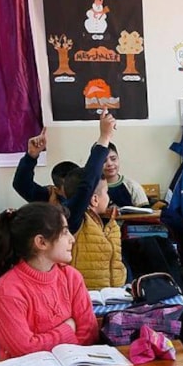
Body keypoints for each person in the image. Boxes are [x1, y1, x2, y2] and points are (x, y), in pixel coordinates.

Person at [0, 202, 121, 366]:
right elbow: (25, 350)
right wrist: (67, 329)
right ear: (41, 242)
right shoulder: (7, 291)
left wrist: (48, 341)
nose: (72, 239)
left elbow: (88, 333)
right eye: (65, 232)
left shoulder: (71, 277)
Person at [62, 109, 127, 290]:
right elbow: (87, 185)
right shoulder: (74, 218)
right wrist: (104, 137)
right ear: (94, 199)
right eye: (106, 192)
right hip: (87, 296)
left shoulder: (108, 223)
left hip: (112, 294)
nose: (109, 197)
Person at [12, 128, 79, 205]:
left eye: (78, 183)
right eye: (69, 186)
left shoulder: (88, 192)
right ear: (58, 190)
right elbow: (21, 184)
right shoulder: (50, 196)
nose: (76, 190)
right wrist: (31, 156)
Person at [103, 143, 150, 207]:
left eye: (113, 159)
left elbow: (146, 212)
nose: (110, 164)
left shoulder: (132, 186)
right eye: (103, 160)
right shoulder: (92, 187)